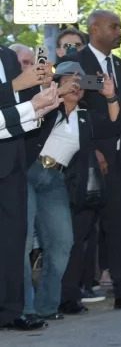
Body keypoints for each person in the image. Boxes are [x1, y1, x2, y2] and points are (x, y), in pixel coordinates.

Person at [58, 10, 121, 312]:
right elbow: (72, 110)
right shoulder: (76, 65)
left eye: (120, 26)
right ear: (95, 29)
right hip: (83, 159)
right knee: (79, 229)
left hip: (117, 161)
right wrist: (93, 151)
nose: (120, 31)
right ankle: (68, 296)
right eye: (114, 26)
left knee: (120, 226)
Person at [23, 63, 118, 321]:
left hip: (55, 180)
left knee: (63, 242)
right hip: (29, 172)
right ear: (58, 83)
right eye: (70, 79)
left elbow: (113, 125)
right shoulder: (46, 106)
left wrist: (110, 96)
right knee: (22, 243)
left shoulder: (85, 118)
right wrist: (54, 91)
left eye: (81, 80)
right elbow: (30, 116)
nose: (76, 84)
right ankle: (24, 310)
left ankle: (46, 307)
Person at [0, 45, 50, 331]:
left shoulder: (7, 55)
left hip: (12, 159)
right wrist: (17, 84)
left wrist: (43, 100)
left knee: (13, 241)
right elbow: (12, 91)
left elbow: (18, 105)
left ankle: (11, 311)